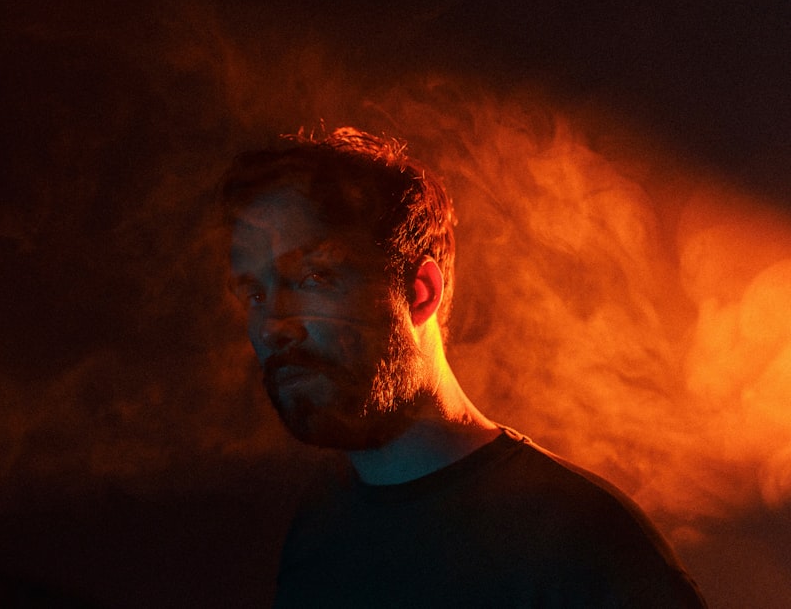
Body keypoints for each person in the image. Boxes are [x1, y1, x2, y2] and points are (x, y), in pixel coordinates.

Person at [220, 127, 706, 608]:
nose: (272, 326)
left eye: (313, 276)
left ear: (419, 292)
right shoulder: (319, 525)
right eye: (256, 294)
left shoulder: (584, 544)